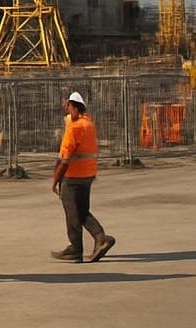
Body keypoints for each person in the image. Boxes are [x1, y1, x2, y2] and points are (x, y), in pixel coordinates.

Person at [52, 90, 116, 263]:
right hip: (88, 174)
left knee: (72, 214)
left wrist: (55, 180)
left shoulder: (74, 128)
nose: (66, 110)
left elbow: (64, 160)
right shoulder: (88, 124)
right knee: (82, 211)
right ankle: (100, 237)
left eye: (68, 106)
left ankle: (75, 248)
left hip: (72, 176)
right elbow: (70, 118)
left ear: (73, 107)